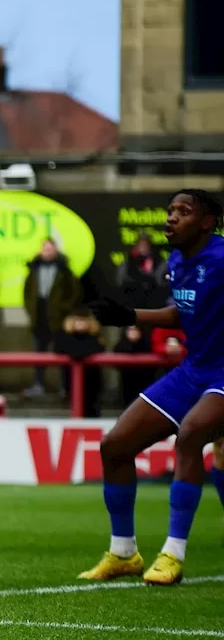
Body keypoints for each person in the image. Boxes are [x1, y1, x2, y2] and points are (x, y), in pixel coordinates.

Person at [80, 189, 223, 586]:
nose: (172, 217)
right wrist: (129, 315)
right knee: (115, 446)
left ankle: (173, 554)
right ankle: (124, 552)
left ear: (208, 222)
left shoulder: (222, 258)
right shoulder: (178, 259)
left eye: (184, 211)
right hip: (194, 371)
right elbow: (183, 311)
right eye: (170, 210)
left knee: (192, 435)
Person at [23, 239, 82, 397]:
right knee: (39, 354)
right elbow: (27, 293)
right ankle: (38, 384)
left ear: (55, 251)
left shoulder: (64, 271)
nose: (48, 252)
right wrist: (31, 309)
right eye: (45, 249)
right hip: (39, 318)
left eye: (50, 249)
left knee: (62, 354)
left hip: (58, 319)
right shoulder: (34, 270)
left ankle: (65, 387)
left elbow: (75, 292)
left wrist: (64, 309)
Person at [53, 307, 106, 418]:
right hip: (71, 380)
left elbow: (98, 348)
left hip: (92, 382)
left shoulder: (96, 337)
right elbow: (61, 349)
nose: (81, 324)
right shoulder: (62, 336)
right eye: (78, 320)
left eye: (84, 321)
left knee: (93, 410)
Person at [112, 325, 155, 407]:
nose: (133, 333)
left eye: (136, 330)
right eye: (130, 330)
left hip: (145, 380)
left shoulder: (148, 344)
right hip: (127, 381)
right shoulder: (121, 345)